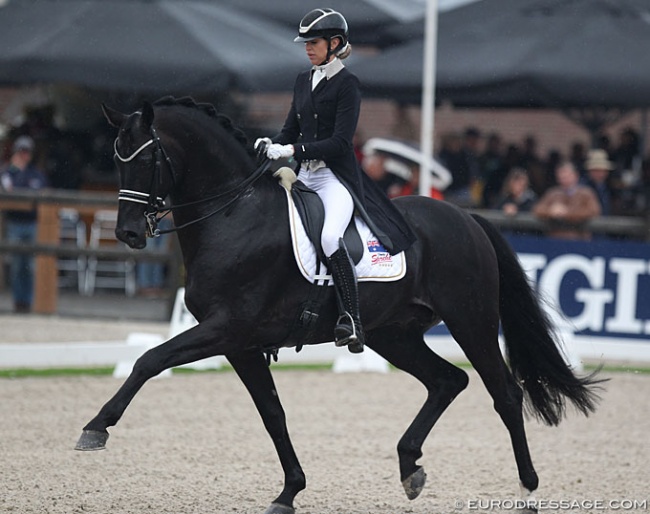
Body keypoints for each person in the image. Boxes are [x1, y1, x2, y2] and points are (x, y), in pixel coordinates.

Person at [256, 8, 417, 353]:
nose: (307, 48)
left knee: (330, 236)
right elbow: (289, 129)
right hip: (304, 176)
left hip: (334, 178)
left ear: (335, 44)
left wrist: (292, 147)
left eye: (313, 43)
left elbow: (341, 143)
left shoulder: (348, 85)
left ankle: (352, 319)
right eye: (306, 43)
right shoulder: (303, 80)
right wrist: (271, 145)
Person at [0, 136, 48, 313]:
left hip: (32, 222)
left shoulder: (36, 173)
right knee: (17, 265)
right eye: (21, 151)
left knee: (29, 265)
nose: (24, 155)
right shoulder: (7, 172)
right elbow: (9, 190)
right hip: (15, 222)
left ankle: (27, 301)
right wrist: (15, 170)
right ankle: (18, 301)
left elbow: (40, 192)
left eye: (27, 151)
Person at [533, 161, 601, 240]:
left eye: (567, 175)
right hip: (555, 238)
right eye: (561, 176)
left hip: (579, 239)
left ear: (576, 176)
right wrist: (551, 211)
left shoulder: (586, 193)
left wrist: (567, 212)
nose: (564, 178)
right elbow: (537, 209)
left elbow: (594, 211)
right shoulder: (553, 193)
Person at [582, 149, 614, 216]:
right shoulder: (583, 187)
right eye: (596, 170)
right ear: (590, 171)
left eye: (603, 171)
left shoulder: (609, 185)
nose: (600, 174)